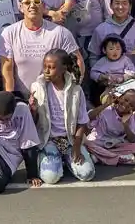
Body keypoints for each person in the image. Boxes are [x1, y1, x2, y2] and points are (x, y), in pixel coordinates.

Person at [0, 0, 84, 96]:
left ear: (44, 6)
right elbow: (7, 69)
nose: (32, 5)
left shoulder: (60, 33)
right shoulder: (9, 33)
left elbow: (78, 62)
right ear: (20, 7)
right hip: (21, 99)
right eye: (27, 3)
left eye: (37, 1)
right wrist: (11, 98)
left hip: (54, 99)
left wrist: (70, 91)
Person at [30, 49, 96, 183]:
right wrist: (33, 109)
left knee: (87, 174)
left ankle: (67, 159)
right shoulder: (37, 87)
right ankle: (53, 159)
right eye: (45, 67)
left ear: (63, 69)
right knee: (50, 178)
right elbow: (33, 122)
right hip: (49, 140)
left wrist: (76, 149)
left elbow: (82, 122)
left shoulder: (76, 90)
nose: (47, 71)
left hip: (71, 140)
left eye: (52, 67)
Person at [85, 89, 135, 166]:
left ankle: (101, 156)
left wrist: (125, 125)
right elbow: (88, 118)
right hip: (98, 142)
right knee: (87, 144)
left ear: (133, 109)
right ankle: (118, 158)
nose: (126, 105)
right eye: (125, 100)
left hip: (114, 145)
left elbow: (132, 139)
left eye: (131, 105)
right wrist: (105, 104)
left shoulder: (130, 117)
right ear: (119, 97)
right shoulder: (106, 109)